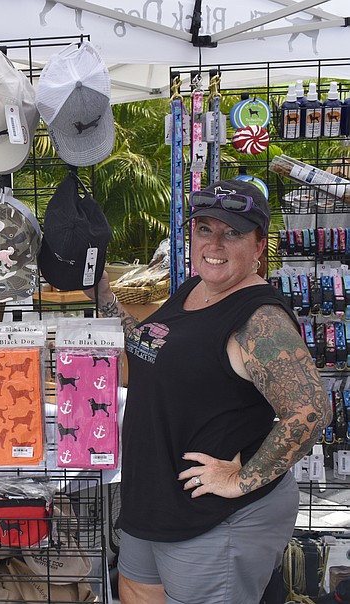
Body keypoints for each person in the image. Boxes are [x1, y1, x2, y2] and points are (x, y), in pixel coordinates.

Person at [90, 179, 331, 604]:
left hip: (213, 518)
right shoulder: (195, 290)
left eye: (232, 232)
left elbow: (310, 411)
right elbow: (149, 347)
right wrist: (103, 294)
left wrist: (241, 480)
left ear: (259, 247)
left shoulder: (259, 318)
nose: (214, 243)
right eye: (205, 229)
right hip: (154, 505)